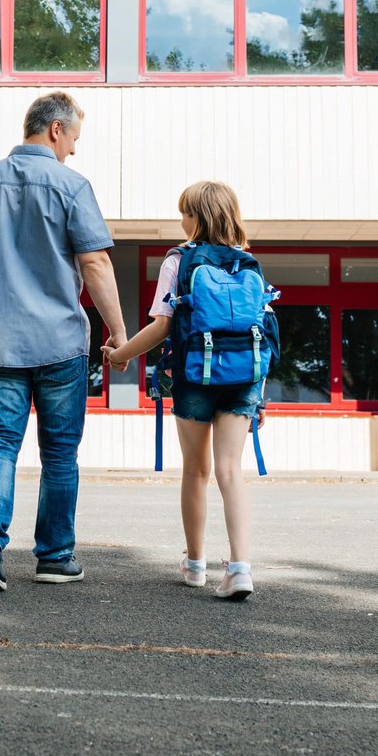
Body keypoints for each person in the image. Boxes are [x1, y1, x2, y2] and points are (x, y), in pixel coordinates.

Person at [0, 91, 127, 593]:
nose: (74, 149)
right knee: (60, 452)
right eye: (73, 138)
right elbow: (95, 263)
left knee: (0, 442)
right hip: (59, 344)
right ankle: (54, 556)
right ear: (55, 129)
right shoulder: (72, 186)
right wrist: (119, 334)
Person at [103, 181, 262, 601]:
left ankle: (195, 565)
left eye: (185, 212)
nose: (181, 219)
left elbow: (162, 325)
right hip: (244, 377)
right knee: (231, 470)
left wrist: (121, 354)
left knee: (196, 469)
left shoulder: (180, 259)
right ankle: (240, 568)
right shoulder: (248, 263)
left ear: (199, 216)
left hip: (194, 375)